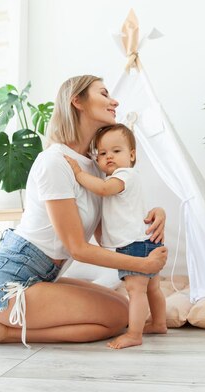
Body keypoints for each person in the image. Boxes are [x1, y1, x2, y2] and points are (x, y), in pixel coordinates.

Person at [0, 75, 167, 347]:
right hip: (8, 285)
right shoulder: (55, 162)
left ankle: (3, 325)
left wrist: (154, 214)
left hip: (42, 277)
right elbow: (77, 248)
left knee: (124, 309)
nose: (114, 101)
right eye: (103, 94)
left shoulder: (94, 165)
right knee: (117, 317)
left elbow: (106, 235)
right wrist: (143, 265)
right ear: (77, 101)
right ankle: (1, 331)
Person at [64, 124, 168, 349]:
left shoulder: (124, 175)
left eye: (116, 151)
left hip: (134, 245)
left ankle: (134, 334)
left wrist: (79, 173)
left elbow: (102, 188)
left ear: (132, 155)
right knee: (152, 288)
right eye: (102, 153)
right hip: (145, 240)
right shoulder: (125, 177)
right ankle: (159, 323)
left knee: (135, 290)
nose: (108, 156)